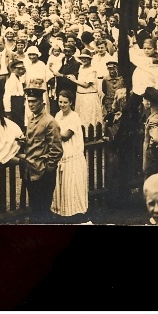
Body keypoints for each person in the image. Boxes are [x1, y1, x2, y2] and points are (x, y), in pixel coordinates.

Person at [21, 86, 63, 224]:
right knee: (35, 208)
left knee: (43, 210)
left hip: (42, 173)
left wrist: (48, 169)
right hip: (31, 170)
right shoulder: (31, 119)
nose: (31, 104)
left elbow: (56, 150)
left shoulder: (50, 122)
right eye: (29, 101)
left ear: (42, 102)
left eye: (34, 101)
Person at [50, 90, 89, 221]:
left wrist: (49, 133)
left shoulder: (75, 117)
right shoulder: (57, 115)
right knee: (63, 189)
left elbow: (65, 136)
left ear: (71, 102)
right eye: (60, 102)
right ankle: (63, 214)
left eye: (65, 102)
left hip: (73, 158)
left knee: (72, 189)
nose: (62, 105)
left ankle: (75, 216)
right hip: (61, 157)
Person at [65, 52, 103, 129]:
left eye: (86, 58)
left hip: (89, 96)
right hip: (80, 95)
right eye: (82, 58)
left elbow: (86, 85)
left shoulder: (92, 70)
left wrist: (74, 80)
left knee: (89, 117)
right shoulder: (81, 67)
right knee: (81, 116)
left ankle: (91, 135)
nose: (84, 60)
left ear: (90, 59)